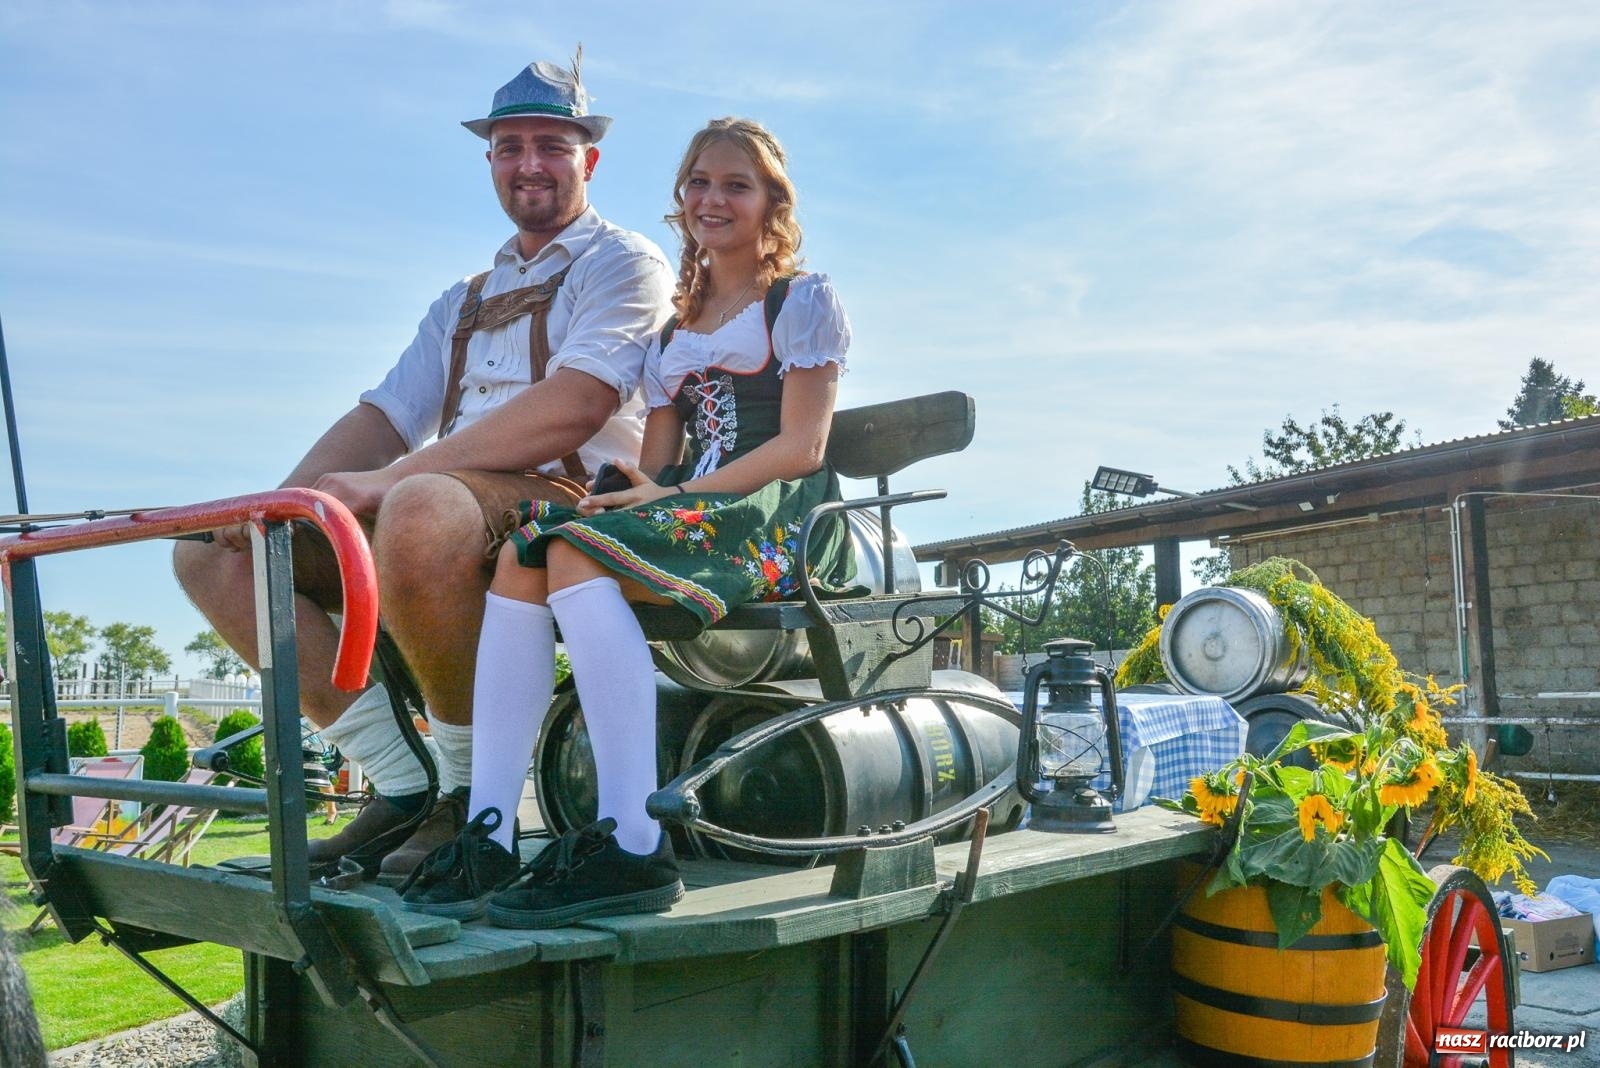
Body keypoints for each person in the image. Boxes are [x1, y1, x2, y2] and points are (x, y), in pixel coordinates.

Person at [173, 55, 675, 881]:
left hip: (573, 503)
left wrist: (393, 483)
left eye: (551, 145)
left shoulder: (624, 263)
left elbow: (578, 405)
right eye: (510, 147)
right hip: (445, 496)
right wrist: (279, 504)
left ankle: (476, 799)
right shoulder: (463, 299)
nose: (530, 164)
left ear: (589, 159)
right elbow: (382, 418)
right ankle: (403, 784)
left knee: (419, 506)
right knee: (216, 551)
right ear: (489, 162)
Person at [399, 117, 856, 926]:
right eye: (700, 183)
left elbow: (802, 446)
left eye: (736, 185)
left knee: (575, 557)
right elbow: (657, 457)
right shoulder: (675, 328)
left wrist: (675, 498)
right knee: (526, 557)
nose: (714, 199)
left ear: (770, 202)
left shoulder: (800, 300)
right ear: (682, 199)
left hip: (773, 516)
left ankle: (635, 841)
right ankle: (491, 831)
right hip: (687, 508)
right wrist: (641, 490)